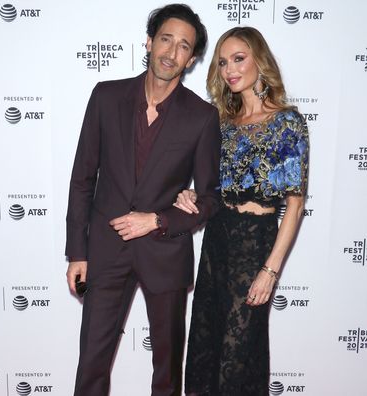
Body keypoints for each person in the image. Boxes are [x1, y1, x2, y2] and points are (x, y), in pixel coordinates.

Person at [65, 4, 221, 396]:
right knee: (91, 366)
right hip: (105, 251)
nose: (171, 52)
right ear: (149, 42)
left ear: (192, 59)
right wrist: (77, 253)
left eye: (184, 46)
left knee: (167, 373)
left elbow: (209, 198)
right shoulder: (105, 96)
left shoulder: (202, 117)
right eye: (166, 39)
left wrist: (158, 220)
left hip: (165, 255)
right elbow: (83, 178)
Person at [174, 27, 309, 395]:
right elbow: (210, 189)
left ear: (258, 61)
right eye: (222, 62)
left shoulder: (288, 123)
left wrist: (270, 270)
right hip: (216, 242)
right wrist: (190, 196)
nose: (230, 69)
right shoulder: (221, 124)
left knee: (237, 359)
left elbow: (295, 206)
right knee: (204, 351)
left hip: (255, 247)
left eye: (238, 58)